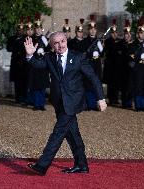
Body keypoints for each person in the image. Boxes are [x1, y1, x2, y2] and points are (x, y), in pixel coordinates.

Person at [24, 31, 107, 175]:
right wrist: (30, 55)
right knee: (72, 134)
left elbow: (93, 78)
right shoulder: (50, 57)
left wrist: (100, 98)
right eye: (56, 43)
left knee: (58, 133)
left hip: (73, 101)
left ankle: (42, 165)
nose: (60, 45)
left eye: (62, 41)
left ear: (66, 41)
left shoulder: (78, 57)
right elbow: (38, 65)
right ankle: (82, 165)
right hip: (59, 102)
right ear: (51, 45)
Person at [129, 17, 144, 112]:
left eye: (142, 33)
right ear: (137, 34)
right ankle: (138, 106)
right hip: (137, 68)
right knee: (138, 87)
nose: (141, 34)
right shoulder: (133, 44)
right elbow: (131, 57)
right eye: (139, 33)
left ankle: (143, 106)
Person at [27, 13, 50, 111]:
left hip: (43, 64)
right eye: (36, 28)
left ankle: (42, 104)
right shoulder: (31, 39)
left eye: (39, 28)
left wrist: (44, 52)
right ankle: (36, 104)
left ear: (42, 29)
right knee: (36, 86)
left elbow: (50, 49)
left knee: (43, 86)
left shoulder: (45, 39)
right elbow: (28, 51)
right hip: (35, 63)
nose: (38, 30)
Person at [83, 14, 104, 110]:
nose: (92, 30)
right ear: (88, 30)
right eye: (91, 28)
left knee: (97, 84)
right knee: (88, 85)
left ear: (96, 30)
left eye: (94, 29)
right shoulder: (85, 41)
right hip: (89, 64)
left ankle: (97, 104)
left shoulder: (98, 41)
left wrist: (102, 48)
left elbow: (103, 54)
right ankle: (90, 105)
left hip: (97, 65)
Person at [6, 17, 26, 104]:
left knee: (24, 81)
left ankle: (24, 98)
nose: (20, 31)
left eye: (21, 30)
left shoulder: (27, 38)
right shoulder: (12, 38)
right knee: (17, 82)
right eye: (18, 30)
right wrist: (16, 42)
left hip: (24, 62)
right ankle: (18, 98)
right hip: (15, 62)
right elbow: (9, 48)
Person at [103, 18, 121, 105]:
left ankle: (116, 98)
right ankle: (111, 99)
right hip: (110, 65)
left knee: (117, 83)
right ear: (111, 33)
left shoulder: (119, 42)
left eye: (115, 33)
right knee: (111, 84)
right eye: (113, 33)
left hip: (117, 66)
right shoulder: (107, 41)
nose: (114, 34)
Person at [117, 19, 134, 108]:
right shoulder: (120, 44)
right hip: (123, 68)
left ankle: (129, 102)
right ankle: (124, 103)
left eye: (128, 34)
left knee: (131, 86)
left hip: (131, 69)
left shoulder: (133, 44)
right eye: (126, 34)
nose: (127, 35)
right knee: (124, 87)